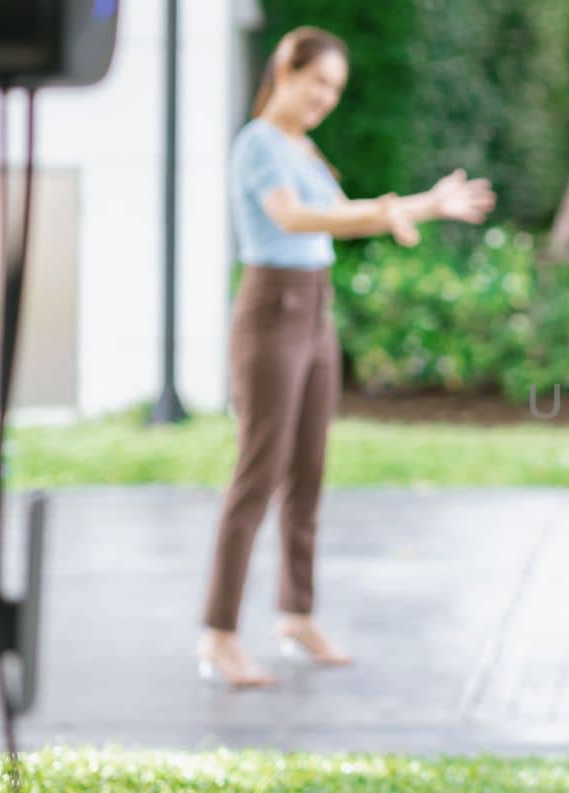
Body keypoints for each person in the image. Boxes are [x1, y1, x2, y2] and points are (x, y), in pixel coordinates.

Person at [197, 26, 496, 688]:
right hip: (273, 311)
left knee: (308, 468)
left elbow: (351, 216)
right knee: (259, 471)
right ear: (286, 69)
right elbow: (295, 219)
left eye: (335, 89)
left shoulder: (304, 150)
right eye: (318, 83)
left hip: (316, 310)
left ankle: (296, 614)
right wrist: (394, 209)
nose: (326, 99)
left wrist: (425, 206)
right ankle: (219, 633)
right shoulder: (259, 146)